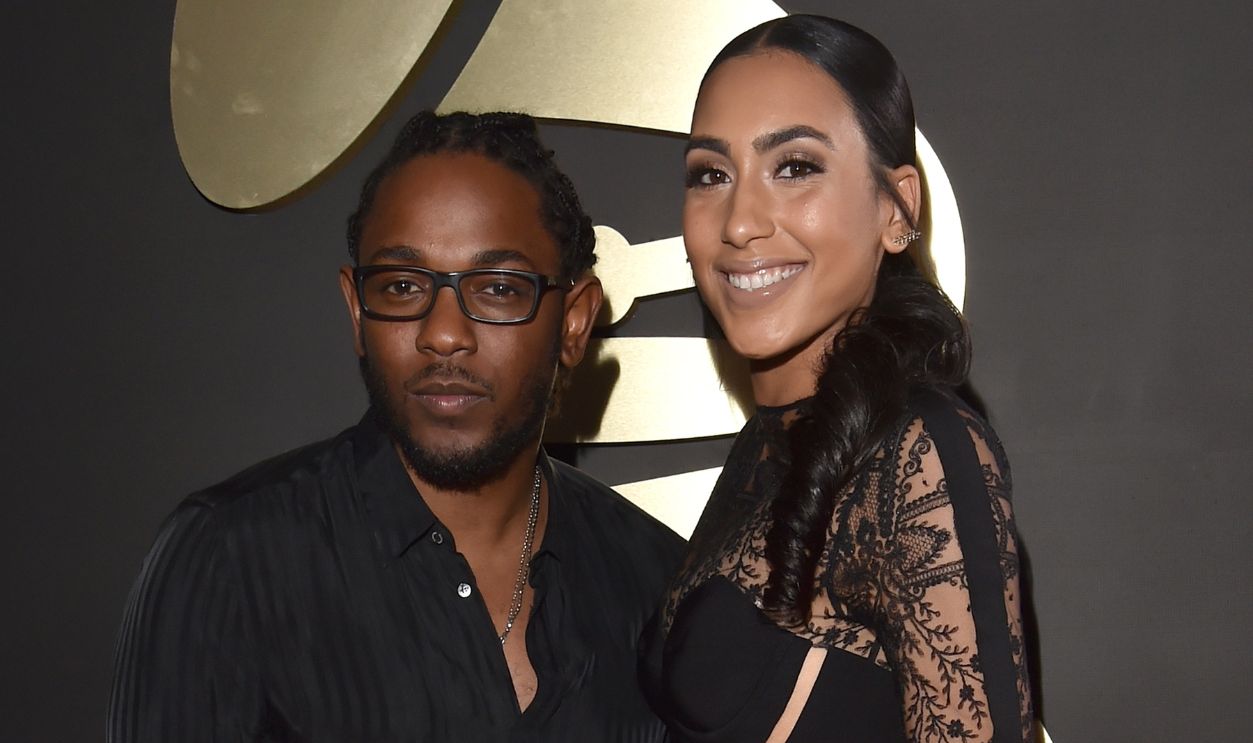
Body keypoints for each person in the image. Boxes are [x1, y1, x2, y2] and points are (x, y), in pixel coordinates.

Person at [108, 111, 685, 742]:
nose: (444, 334)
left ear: (573, 323)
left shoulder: (654, 582)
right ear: (358, 312)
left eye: (497, 288)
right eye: (403, 286)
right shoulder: (232, 558)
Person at [639, 15, 1033, 742]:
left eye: (794, 167)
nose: (739, 222)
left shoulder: (918, 455)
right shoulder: (767, 446)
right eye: (711, 174)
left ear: (896, 207)